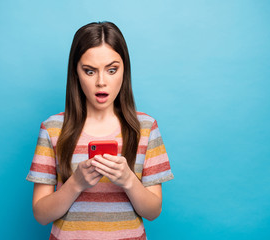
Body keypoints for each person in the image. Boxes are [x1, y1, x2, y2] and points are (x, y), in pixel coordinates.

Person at [26, 21, 174, 240]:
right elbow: (41, 214)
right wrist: (76, 183)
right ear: (75, 73)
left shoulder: (146, 128)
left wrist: (128, 180)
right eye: (89, 71)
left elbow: (153, 212)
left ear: (125, 71)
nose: (101, 82)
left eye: (112, 70)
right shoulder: (52, 129)